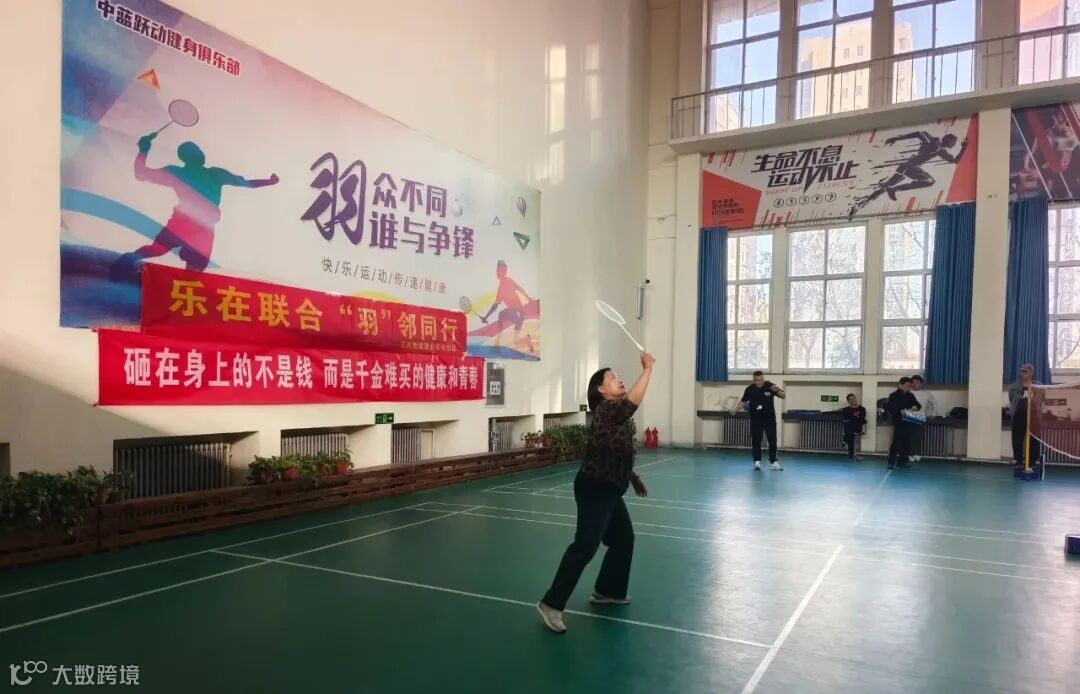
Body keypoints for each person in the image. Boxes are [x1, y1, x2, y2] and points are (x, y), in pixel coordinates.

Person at [537, 352, 654, 634]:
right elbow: (630, 405)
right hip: (595, 488)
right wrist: (647, 369)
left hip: (611, 488)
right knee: (585, 545)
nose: (619, 379)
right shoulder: (605, 410)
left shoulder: (614, 417)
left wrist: (633, 477)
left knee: (623, 540)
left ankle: (607, 591)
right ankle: (551, 604)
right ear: (601, 390)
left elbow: (615, 451)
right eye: (613, 378)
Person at [112, 133, 278, 278]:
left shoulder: (178, 172)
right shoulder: (213, 174)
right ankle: (127, 266)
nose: (200, 152)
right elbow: (247, 183)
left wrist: (144, 149)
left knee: (159, 250)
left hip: (187, 223)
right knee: (192, 264)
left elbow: (141, 174)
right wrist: (269, 182)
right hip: (199, 226)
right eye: (197, 150)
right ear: (191, 156)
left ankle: (125, 264)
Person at [847, 131, 968, 219]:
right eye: (954, 142)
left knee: (885, 187)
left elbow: (918, 134)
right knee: (929, 181)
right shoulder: (936, 145)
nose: (954, 145)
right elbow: (919, 134)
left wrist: (896, 138)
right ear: (948, 140)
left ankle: (858, 205)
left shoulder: (936, 145)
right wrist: (964, 147)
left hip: (905, 167)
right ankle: (893, 189)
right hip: (909, 167)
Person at [733, 371, 785, 471]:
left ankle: (773, 462)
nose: (759, 382)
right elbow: (743, 401)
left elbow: (783, 395)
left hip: (769, 419)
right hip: (756, 419)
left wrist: (777, 391)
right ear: (754, 380)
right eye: (756, 380)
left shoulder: (770, 386)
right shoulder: (749, 389)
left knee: (772, 440)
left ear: (763, 378)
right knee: (756, 440)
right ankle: (757, 462)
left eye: (760, 380)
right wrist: (735, 410)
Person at [479, 260, 535, 349]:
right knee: (501, 315)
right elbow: (495, 305)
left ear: (504, 271)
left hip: (518, 312)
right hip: (515, 312)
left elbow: (519, 288)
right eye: (497, 270)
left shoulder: (507, 282)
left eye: (499, 270)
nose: (497, 272)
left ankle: (500, 341)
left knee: (515, 340)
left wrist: (528, 298)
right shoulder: (502, 287)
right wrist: (486, 317)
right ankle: (500, 340)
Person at [1008, 364, 1042, 467]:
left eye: (1025, 371)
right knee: (1017, 438)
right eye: (1021, 371)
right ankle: (1018, 460)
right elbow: (1011, 398)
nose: (1023, 373)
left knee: (1034, 438)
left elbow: (1042, 398)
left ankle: (1032, 461)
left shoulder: (1038, 386)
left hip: (1033, 415)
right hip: (1019, 415)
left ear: (1031, 373)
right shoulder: (1014, 386)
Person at [885, 377, 921, 470]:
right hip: (898, 421)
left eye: (909, 386)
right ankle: (891, 462)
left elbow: (918, 405)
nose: (908, 388)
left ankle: (902, 462)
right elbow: (889, 408)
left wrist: (915, 408)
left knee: (906, 443)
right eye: (906, 386)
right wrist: (899, 411)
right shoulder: (893, 395)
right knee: (896, 443)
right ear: (900, 385)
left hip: (908, 421)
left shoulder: (910, 395)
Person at [909, 375, 938, 463]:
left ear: (921, 384)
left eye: (917, 382)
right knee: (909, 437)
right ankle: (910, 454)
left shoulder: (927, 394)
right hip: (908, 417)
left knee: (918, 437)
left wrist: (932, 414)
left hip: (920, 418)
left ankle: (917, 453)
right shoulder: (908, 393)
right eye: (913, 382)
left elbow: (935, 404)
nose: (915, 384)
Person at [840, 394, 867, 461]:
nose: (853, 400)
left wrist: (855, 416)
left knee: (850, 434)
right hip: (849, 428)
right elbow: (840, 413)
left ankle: (845, 441)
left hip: (857, 427)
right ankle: (851, 455)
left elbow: (862, 417)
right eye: (851, 399)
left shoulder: (862, 408)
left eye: (853, 398)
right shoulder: (846, 409)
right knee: (850, 437)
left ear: (856, 398)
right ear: (848, 401)